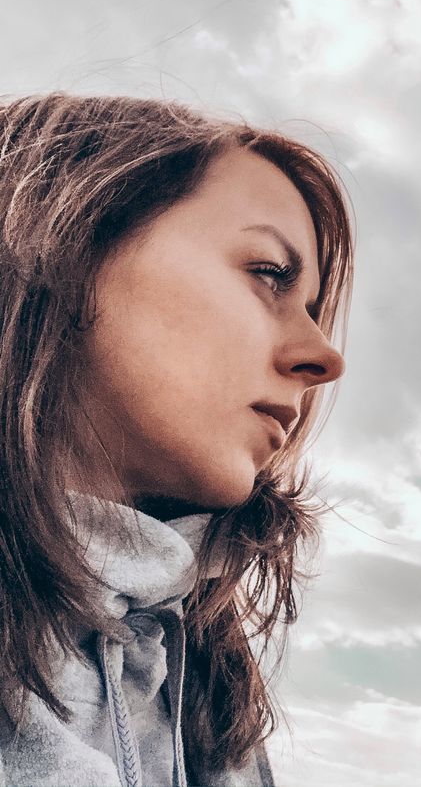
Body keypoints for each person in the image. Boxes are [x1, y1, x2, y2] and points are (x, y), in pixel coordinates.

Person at [0, 93, 354, 786]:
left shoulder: (208, 693)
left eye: (313, 309)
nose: (323, 356)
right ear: (62, 244)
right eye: (269, 275)